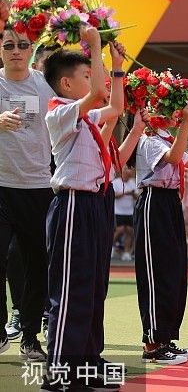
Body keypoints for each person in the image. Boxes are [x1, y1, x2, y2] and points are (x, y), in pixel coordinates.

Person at [41, 30, 124, 390]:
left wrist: (118, 68)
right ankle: (59, 372)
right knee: (72, 288)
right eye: (86, 74)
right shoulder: (59, 113)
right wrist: (93, 46)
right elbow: (101, 95)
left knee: (93, 288)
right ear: (66, 84)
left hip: (93, 203)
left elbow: (116, 107)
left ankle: (87, 364)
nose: (93, 78)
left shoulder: (85, 117)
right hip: (72, 204)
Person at [134, 103, 188, 365]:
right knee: (156, 273)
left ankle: (166, 339)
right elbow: (175, 158)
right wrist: (187, 124)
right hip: (153, 202)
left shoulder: (168, 138)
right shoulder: (149, 139)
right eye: (167, 111)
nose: (172, 115)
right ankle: (152, 344)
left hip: (170, 203)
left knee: (173, 273)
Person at [0, 24, 58, 364]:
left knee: (38, 265)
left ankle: (31, 336)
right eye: (9, 45)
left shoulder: (44, 83)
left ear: (31, 48)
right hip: (2, 187)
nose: (16, 51)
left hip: (38, 187)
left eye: (23, 44)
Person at [112, 161, 139, 261]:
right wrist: (125, 192)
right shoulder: (116, 182)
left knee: (129, 231)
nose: (129, 172)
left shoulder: (133, 183)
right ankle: (111, 247)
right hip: (118, 211)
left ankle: (127, 252)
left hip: (129, 212)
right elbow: (114, 196)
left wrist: (132, 194)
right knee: (119, 230)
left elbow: (137, 197)